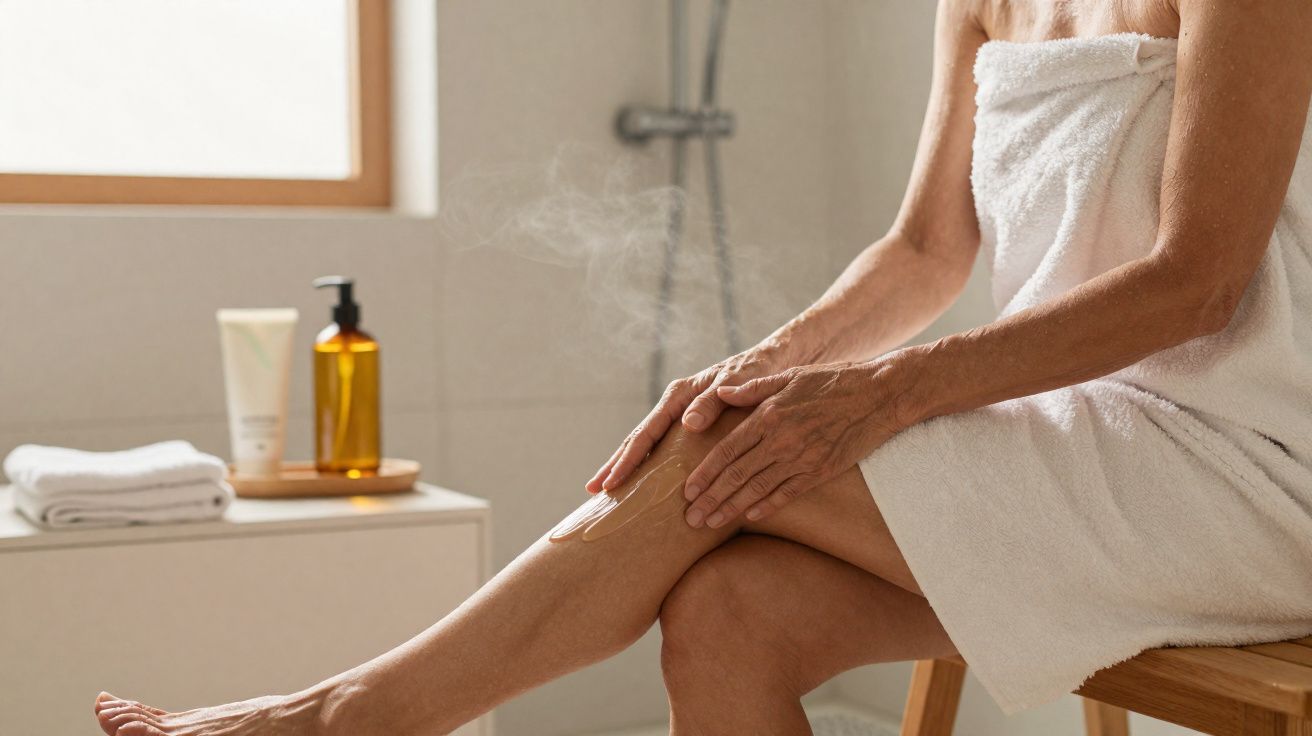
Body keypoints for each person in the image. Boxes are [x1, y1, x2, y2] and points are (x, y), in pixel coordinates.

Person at [95, 0, 1312, 733]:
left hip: (1246, 470)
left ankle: (355, 719)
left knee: (721, 458)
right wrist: (759, 369)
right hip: (1082, 449)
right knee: (730, 611)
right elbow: (926, 247)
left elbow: (1194, 281)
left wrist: (881, 391)